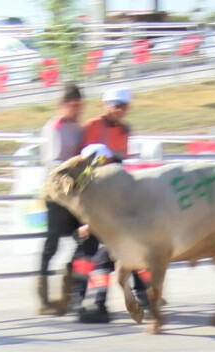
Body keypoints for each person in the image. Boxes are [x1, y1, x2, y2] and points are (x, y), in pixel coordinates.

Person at [80, 87, 150, 307]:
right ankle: (81, 296)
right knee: (88, 254)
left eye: (122, 106)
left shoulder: (124, 131)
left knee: (121, 252)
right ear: (105, 104)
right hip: (89, 184)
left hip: (110, 194)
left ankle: (144, 294)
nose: (118, 110)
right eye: (114, 105)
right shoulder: (91, 127)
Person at [36, 84, 84, 315]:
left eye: (78, 105)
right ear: (62, 105)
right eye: (72, 105)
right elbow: (54, 161)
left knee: (84, 238)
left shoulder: (78, 127)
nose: (76, 109)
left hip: (75, 190)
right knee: (52, 241)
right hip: (57, 190)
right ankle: (43, 297)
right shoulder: (54, 127)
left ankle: (67, 290)